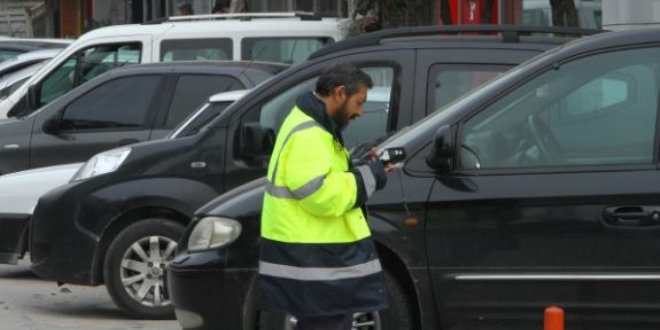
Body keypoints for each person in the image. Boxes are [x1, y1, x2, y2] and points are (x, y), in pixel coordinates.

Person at [258, 63, 391, 330]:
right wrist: (371, 177)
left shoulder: (311, 125)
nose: (360, 111)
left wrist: (359, 164)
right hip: (314, 260)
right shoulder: (311, 133)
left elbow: (322, 175)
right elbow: (321, 194)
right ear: (339, 93)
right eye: (359, 102)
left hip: (312, 257)